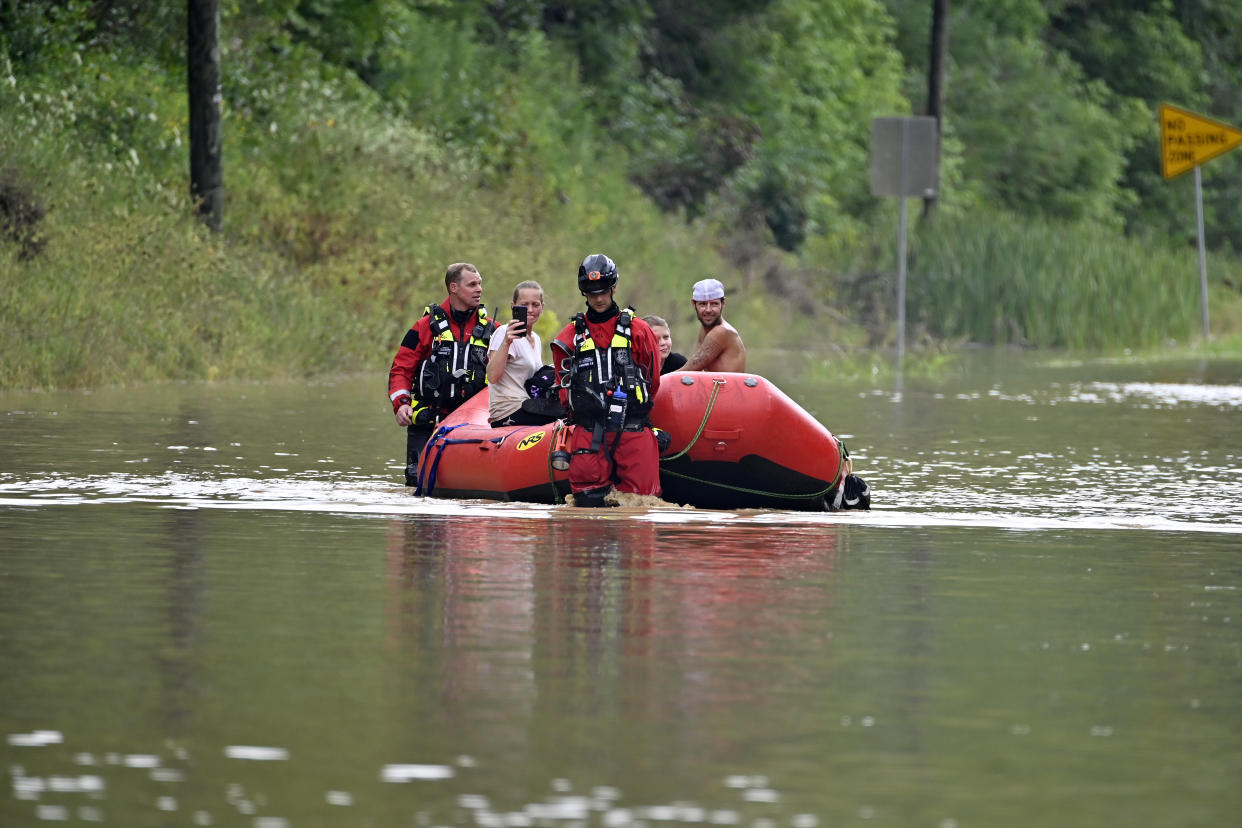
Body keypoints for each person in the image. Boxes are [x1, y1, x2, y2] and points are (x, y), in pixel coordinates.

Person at [551, 254, 663, 507]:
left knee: (641, 508)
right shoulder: (568, 338)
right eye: (592, 293)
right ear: (584, 293)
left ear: (613, 288)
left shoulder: (640, 331)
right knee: (585, 510)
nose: (599, 299)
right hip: (588, 433)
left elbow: (653, 381)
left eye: (603, 292)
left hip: (633, 429)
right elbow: (563, 390)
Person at [388, 262, 495, 486]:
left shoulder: (493, 330)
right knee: (417, 482)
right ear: (453, 288)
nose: (479, 289)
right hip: (428, 420)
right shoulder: (425, 326)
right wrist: (402, 404)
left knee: (472, 484)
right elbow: (401, 369)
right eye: (472, 284)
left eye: (480, 284)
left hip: (474, 424)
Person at [487, 280, 559, 427]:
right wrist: (506, 343)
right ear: (513, 306)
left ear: (542, 307)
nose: (531, 310)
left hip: (528, 404)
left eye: (536, 304)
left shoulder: (536, 339)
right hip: (507, 411)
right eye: (525, 305)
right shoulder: (504, 332)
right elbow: (492, 376)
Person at [677, 278, 747, 372]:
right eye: (703, 304)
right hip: (714, 386)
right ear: (694, 304)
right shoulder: (704, 330)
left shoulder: (723, 332)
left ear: (723, 303)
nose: (708, 310)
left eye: (714, 304)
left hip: (728, 387)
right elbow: (692, 368)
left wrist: (660, 381)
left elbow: (689, 370)